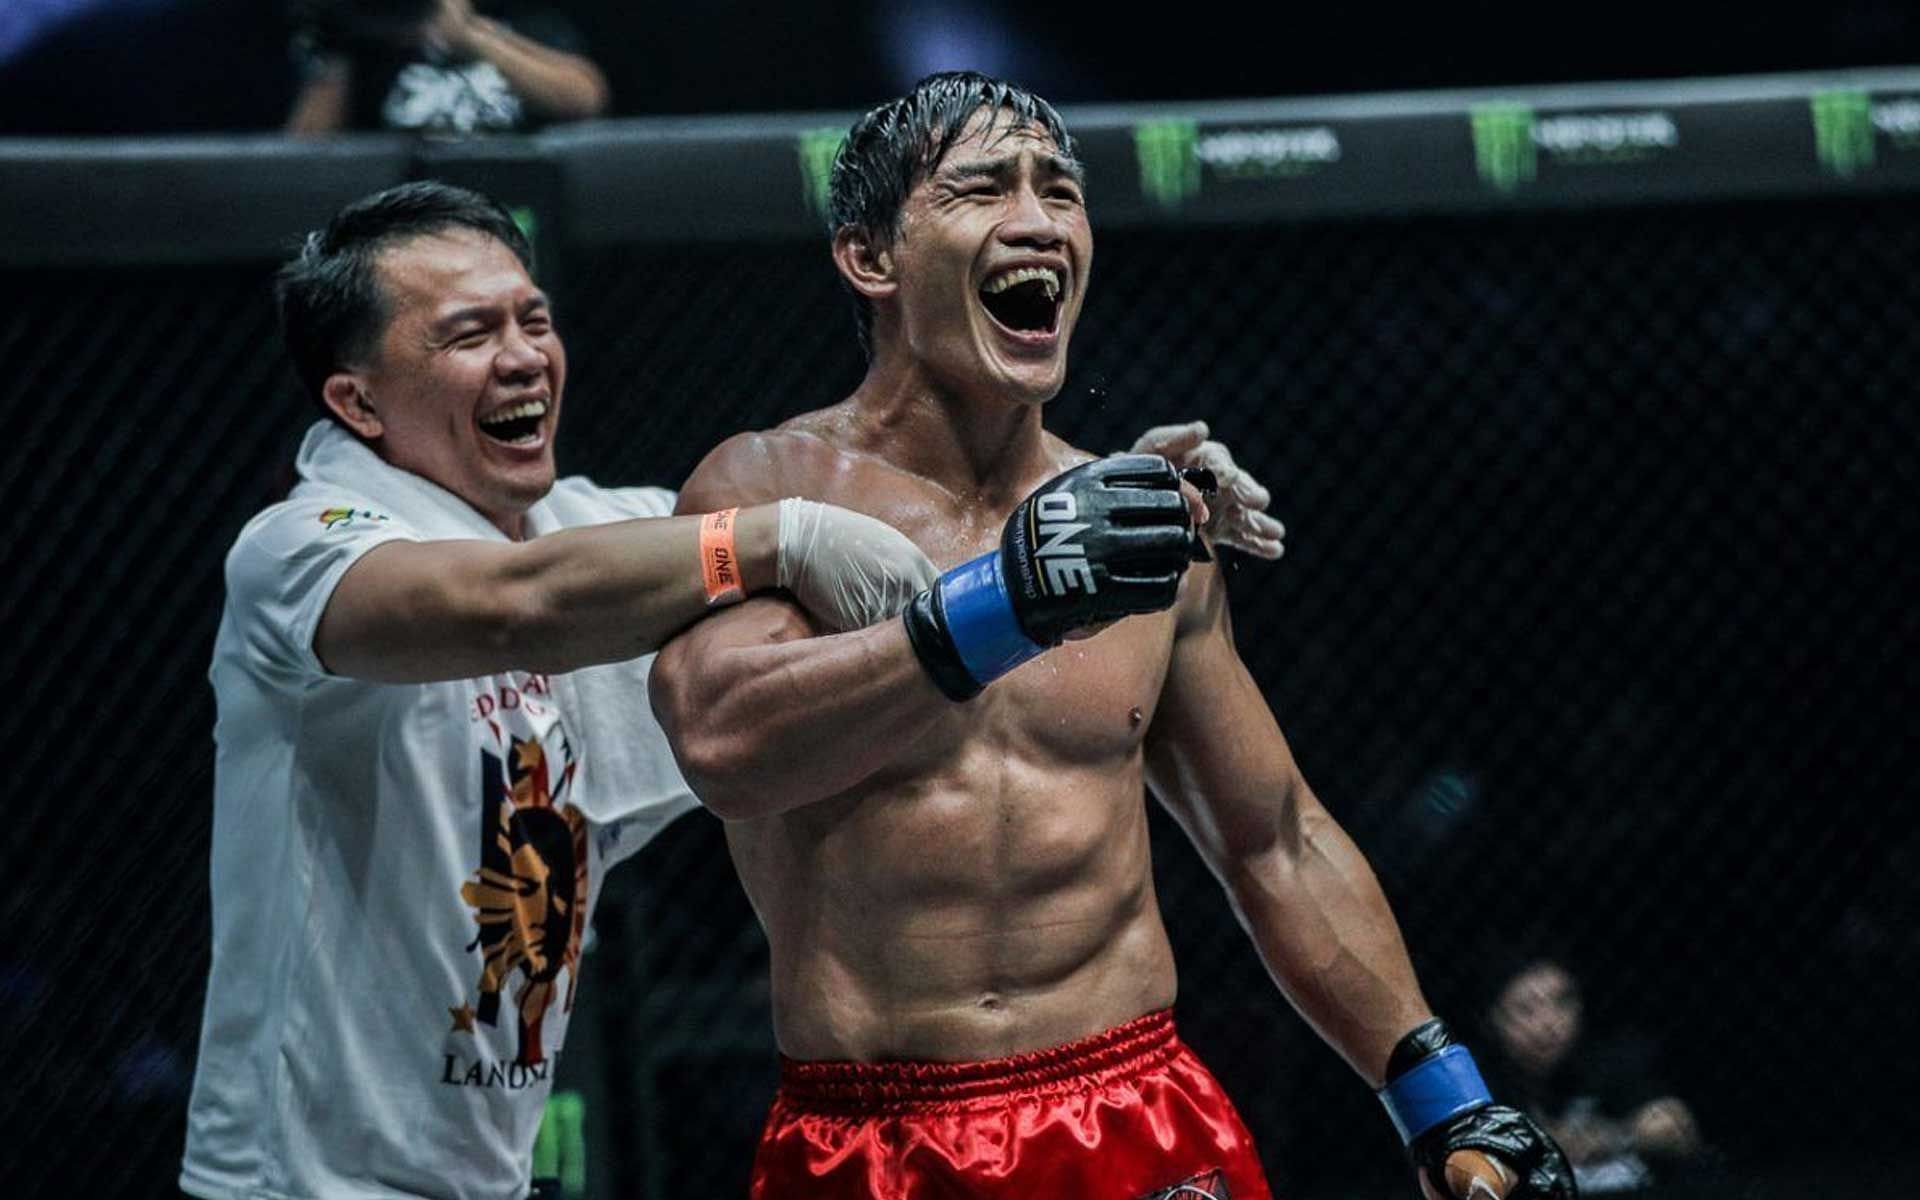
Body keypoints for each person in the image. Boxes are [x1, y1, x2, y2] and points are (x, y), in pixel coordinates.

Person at [179, 178, 1285, 1200]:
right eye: (470, 335)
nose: (524, 358)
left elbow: (917, 567)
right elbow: (512, 603)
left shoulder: (603, 535)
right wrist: (774, 536)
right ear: (358, 403)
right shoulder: (302, 551)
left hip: (481, 1179)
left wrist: (1108, 508)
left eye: (534, 319)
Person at [647, 72, 1577, 1200]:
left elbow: (1271, 840)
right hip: (881, 1137)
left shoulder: (1138, 522)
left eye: (1063, 192)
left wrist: (1445, 1098)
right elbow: (724, 747)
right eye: (983, 188)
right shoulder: (768, 485)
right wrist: (1011, 601)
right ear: (872, 257)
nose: (1038, 221)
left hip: (1133, 1111)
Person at [1483, 956, 1706, 1194]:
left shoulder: (1605, 1063)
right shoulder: (1482, 1081)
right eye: (1526, 1010)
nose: (1549, 1022)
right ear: (1493, 1020)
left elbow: (1677, 1127)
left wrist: (1612, 1138)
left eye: (1563, 1002)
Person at [285, 0, 608, 137]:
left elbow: (585, 97)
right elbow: (307, 162)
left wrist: (469, 37)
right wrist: (340, 43)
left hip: (513, 199)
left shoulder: (508, 18)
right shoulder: (353, 40)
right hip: (399, 218)